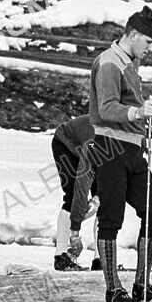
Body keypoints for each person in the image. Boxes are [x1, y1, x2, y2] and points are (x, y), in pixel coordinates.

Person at [89, 6, 152, 302]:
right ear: (133, 34)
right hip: (110, 148)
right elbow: (106, 106)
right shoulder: (109, 63)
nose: (151, 49)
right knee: (111, 218)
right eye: (148, 42)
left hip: (134, 149)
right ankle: (113, 288)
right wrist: (137, 112)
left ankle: (141, 285)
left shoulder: (129, 62)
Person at [50, 114, 97, 272]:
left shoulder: (121, 138)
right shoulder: (97, 139)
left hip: (91, 150)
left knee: (105, 201)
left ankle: (101, 257)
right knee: (72, 196)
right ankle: (61, 257)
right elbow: (81, 191)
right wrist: (75, 233)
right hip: (65, 144)